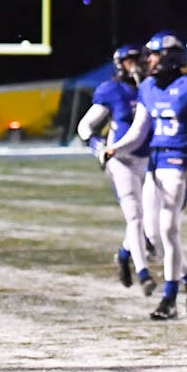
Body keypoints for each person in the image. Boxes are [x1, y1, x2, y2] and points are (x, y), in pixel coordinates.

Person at [106, 31, 187, 320]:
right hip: (155, 161)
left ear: (169, 57)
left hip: (179, 159)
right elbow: (138, 131)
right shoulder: (147, 87)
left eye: (155, 54)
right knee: (151, 232)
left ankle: (169, 299)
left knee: (169, 229)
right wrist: (115, 148)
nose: (149, 59)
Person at [77, 44, 157, 296]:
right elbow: (85, 126)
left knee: (149, 217)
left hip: (147, 158)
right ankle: (143, 273)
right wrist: (97, 146)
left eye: (138, 60)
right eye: (130, 60)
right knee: (135, 216)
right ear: (120, 64)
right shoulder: (112, 90)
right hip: (120, 159)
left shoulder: (152, 88)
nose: (135, 65)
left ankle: (124, 254)